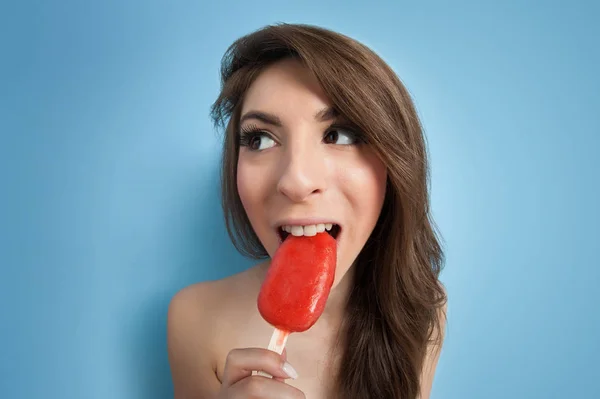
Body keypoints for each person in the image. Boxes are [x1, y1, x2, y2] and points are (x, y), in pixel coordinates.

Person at [167, 23, 448, 399]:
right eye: (260, 139)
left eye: (339, 135)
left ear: (395, 161)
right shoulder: (193, 318)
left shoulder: (422, 309)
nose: (296, 181)